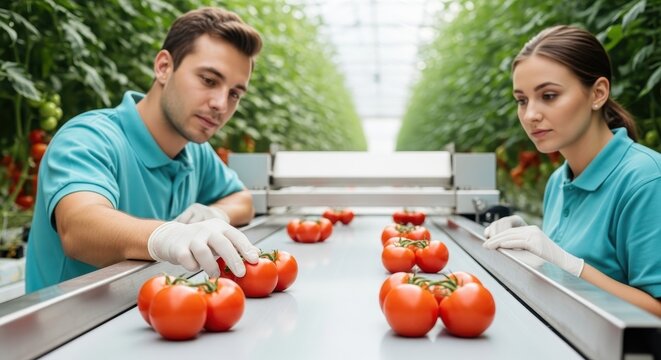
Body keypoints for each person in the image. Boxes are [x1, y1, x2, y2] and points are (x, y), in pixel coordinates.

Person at [25, 7, 263, 292]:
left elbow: (242, 199)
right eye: (209, 80)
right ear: (164, 67)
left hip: (156, 315)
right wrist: (166, 236)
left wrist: (216, 214)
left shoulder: (195, 153)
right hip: (67, 328)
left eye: (234, 94)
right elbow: (78, 227)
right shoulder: (88, 138)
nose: (221, 104)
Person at [483, 25, 661, 316]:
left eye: (549, 95)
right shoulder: (558, 181)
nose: (530, 115)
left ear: (598, 93)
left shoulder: (646, 180)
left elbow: (657, 311)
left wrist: (573, 267)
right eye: (522, 100)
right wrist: (535, 253)